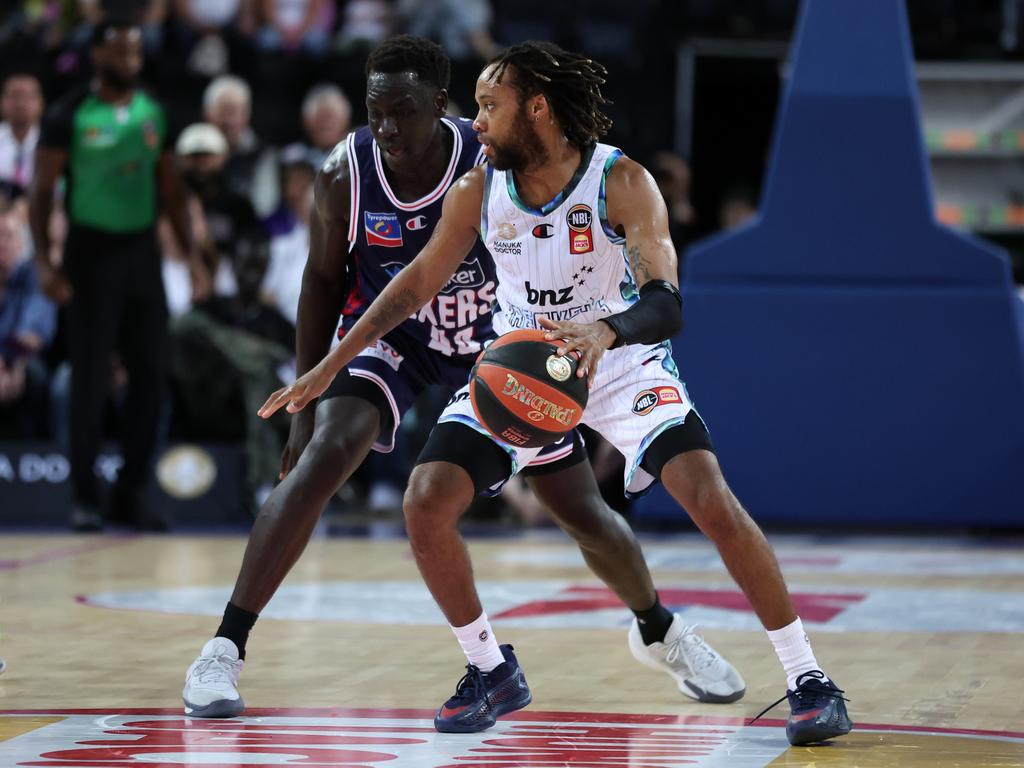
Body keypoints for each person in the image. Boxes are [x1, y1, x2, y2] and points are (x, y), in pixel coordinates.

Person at [260, 41, 853, 746]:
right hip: (522, 370)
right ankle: (490, 668)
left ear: (536, 108)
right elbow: (413, 285)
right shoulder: (478, 190)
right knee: (425, 501)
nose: (473, 122)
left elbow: (666, 302)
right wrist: (332, 362)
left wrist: (608, 330)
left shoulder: (620, 181)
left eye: (488, 106)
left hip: (623, 363)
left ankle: (808, 678)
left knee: (710, 498)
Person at [182, 35, 744, 722]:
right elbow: (323, 281)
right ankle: (224, 649)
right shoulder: (346, 171)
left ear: (440, 107)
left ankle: (660, 629)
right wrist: (307, 404)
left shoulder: (492, 157)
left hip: (495, 345)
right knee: (323, 457)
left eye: (403, 111)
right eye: (374, 110)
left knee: (580, 512)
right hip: (396, 336)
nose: (385, 126)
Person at [29, 17, 209, 532]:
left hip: (141, 252)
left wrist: (194, 258)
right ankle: (85, 497)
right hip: (89, 253)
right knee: (88, 378)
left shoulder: (153, 112)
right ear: (97, 58)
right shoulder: (68, 115)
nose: (130, 61)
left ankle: (130, 492)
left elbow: (171, 189)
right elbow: (42, 193)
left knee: (152, 375)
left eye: (135, 53)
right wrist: (45, 260)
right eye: (120, 53)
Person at [0, 72, 43, 201]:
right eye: (14, 96)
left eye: (27, 97)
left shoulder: (50, 143)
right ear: (2, 101)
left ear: (41, 103)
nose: (20, 103)